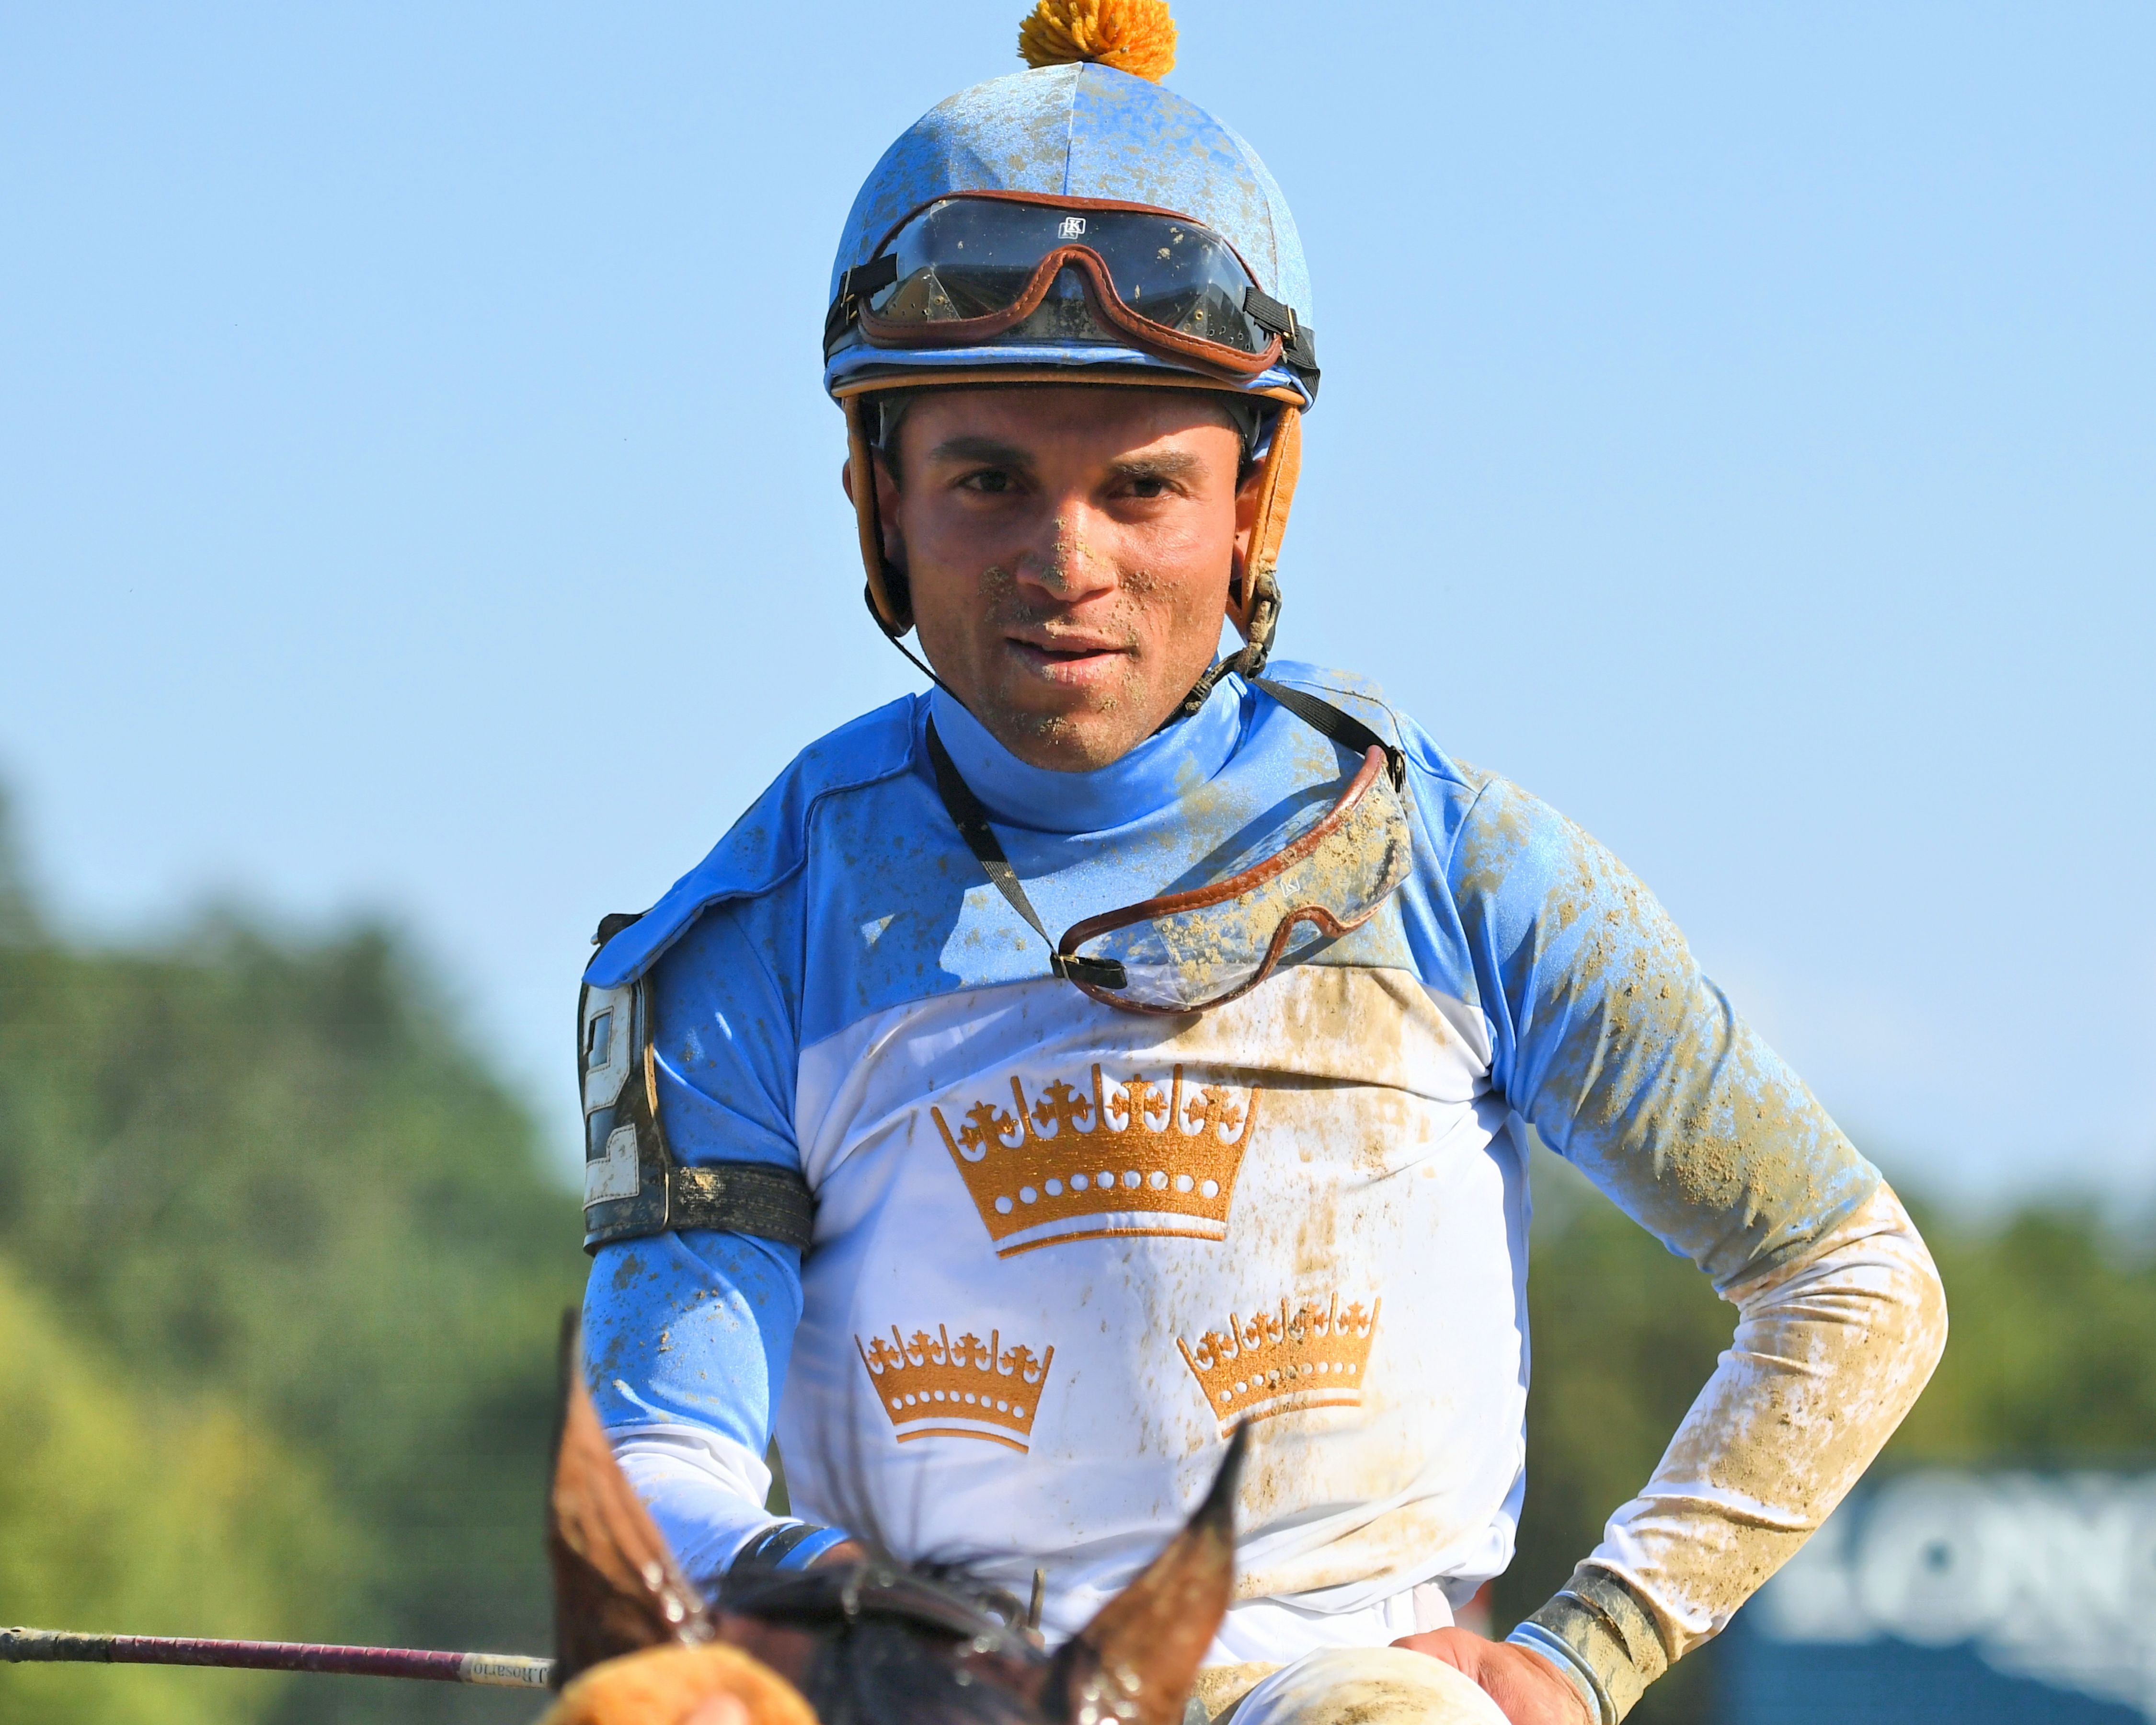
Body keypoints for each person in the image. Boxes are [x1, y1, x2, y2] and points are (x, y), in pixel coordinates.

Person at [576, 4, 1948, 1720]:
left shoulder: (1465, 867)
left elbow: (1848, 1281)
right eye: (987, 480)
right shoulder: (748, 936)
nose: (1061, 562)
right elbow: (652, 1471)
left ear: (1253, 505)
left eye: (1141, 489)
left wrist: (1578, 1662)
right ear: (880, 497)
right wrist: (827, 1598)